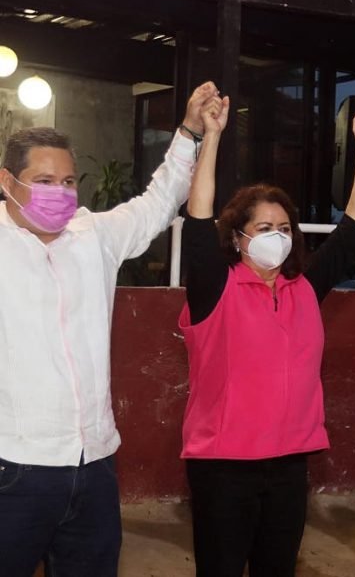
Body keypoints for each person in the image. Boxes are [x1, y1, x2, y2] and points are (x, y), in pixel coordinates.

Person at [0, 81, 218, 577]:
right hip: (13, 467)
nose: (60, 193)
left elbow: (158, 202)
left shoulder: (92, 235)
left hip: (94, 464)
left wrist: (189, 131)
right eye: (44, 180)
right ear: (7, 181)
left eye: (68, 181)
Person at [178, 98, 355, 577]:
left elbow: (353, 231)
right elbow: (198, 217)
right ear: (237, 237)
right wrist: (211, 137)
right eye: (264, 228)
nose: (278, 236)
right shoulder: (215, 287)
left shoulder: (304, 289)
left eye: (285, 228)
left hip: (289, 464)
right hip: (224, 467)